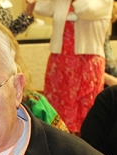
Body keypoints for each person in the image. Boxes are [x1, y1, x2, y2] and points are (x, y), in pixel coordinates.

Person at [35, 0, 113, 134]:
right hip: (59, 61)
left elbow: (85, 9)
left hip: (87, 63)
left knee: (86, 113)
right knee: (55, 113)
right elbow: (40, 7)